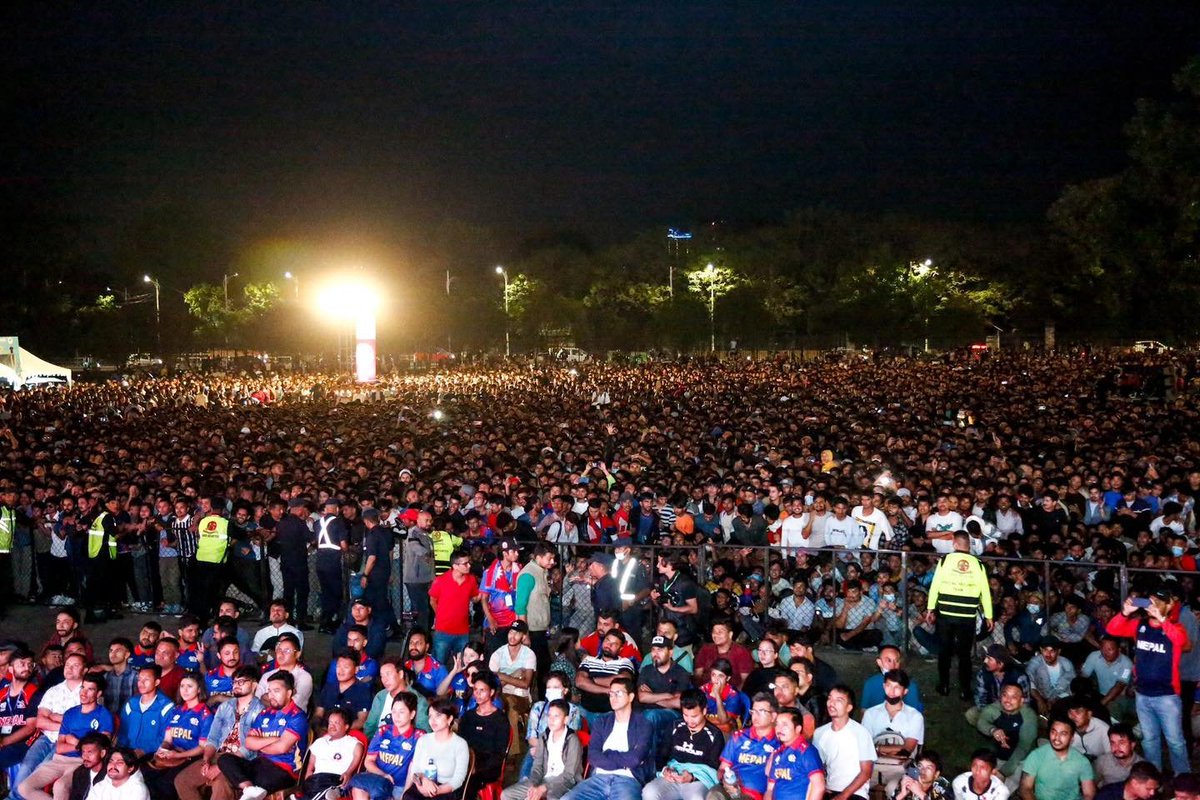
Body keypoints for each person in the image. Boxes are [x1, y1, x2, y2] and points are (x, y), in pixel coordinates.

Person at [1105, 585, 1190, 775]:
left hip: (1167, 696)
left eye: (1159, 603)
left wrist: (1162, 619)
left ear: (1169, 606)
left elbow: (1181, 641)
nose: (1153, 606)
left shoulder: (1175, 627)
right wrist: (1124, 613)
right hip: (1142, 694)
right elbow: (1112, 629)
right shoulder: (1140, 625)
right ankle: (1154, 779)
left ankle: (1183, 780)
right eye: (1151, 602)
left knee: (1175, 741)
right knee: (1150, 740)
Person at [172, 665, 264, 800]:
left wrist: (220, 767)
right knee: (182, 780)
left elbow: (251, 749)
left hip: (240, 761)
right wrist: (207, 760)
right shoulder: (225, 706)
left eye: (241, 682)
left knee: (220, 784)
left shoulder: (261, 711)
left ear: (254, 685)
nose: (236, 685)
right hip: (217, 755)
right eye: (234, 682)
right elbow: (213, 738)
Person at [19, 672, 114, 800]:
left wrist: (74, 741)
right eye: (82, 687)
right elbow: (59, 748)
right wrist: (84, 745)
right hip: (59, 760)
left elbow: (102, 749)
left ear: (98, 693)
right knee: (24, 787)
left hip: (82, 762)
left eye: (90, 689)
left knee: (60, 786)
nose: (84, 693)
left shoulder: (104, 715)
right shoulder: (70, 713)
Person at [217, 670, 308, 800]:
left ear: (289, 693)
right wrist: (274, 739)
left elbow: (281, 748)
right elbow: (249, 743)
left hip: (284, 769)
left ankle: (250, 792)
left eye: (276, 691)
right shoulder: (265, 713)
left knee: (244, 783)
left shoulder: (297, 717)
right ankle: (249, 789)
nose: (271, 695)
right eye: (269, 691)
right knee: (224, 759)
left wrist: (259, 743)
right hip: (260, 763)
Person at [558, 675, 652, 800]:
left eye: (618, 693)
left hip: (627, 780)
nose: (613, 698)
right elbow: (593, 756)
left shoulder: (642, 724)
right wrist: (624, 762)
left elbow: (635, 758)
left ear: (631, 697)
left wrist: (607, 754)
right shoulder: (602, 721)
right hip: (598, 779)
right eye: (611, 694)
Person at [926, 530, 992, 699]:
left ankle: (944, 686)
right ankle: (965, 690)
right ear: (968, 545)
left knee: (945, 650)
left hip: (946, 612)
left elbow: (935, 585)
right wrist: (989, 615)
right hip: (967, 614)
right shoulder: (978, 563)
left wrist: (930, 608)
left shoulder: (946, 560)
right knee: (964, 654)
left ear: (954, 543)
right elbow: (985, 590)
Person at [642, 690, 724, 800]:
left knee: (696, 798)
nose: (689, 721)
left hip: (697, 780)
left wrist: (692, 777)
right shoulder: (675, 727)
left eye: (694, 716)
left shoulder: (714, 735)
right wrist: (665, 771)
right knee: (649, 792)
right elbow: (662, 755)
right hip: (673, 776)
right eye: (686, 715)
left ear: (704, 711)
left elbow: (714, 769)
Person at [142, 672, 213, 797]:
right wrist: (162, 749)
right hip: (172, 754)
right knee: (145, 772)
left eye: (189, 686)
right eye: (182, 686)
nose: (184, 690)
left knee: (166, 783)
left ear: (199, 690)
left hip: (191, 757)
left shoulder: (205, 714)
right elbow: (168, 739)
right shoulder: (176, 710)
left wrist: (179, 755)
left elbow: (203, 747)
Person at [501, 698, 583, 800]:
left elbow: (569, 774)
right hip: (544, 779)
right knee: (506, 794)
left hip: (566, 783)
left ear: (566, 720)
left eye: (556, 716)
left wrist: (544, 788)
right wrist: (533, 784)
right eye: (549, 716)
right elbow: (537, 765)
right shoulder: (544, 736)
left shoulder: (572, 740)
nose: (551, 720)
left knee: (551, 796)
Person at [349, 691, 422, 800]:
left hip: (400, 786)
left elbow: (414, 768)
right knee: (358, 789)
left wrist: (405, 794)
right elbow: (368, 761)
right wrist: (383, 775)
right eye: (394, 711)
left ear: (412, 714)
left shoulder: (418, 737)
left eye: (401, 712)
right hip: (377, 781)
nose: (396, 716)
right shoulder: (383, 731)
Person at [860, 670, 924, 796]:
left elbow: (907, 750)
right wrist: (895, 751)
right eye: (888, 686)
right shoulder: (870, 714)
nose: (892, 691)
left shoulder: (915, 716)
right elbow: (864, 747)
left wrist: (877, 748)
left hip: (901, 770)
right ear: (884, 686)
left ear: (905, 691)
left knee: (894, 790)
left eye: (897, 688)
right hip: (872, 767)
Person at [711, 692, 780, 800]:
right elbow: (722, 769)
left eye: (761, 712)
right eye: (753, 711)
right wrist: (725, 780)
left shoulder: (779, 743)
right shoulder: (739, 736)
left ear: (773, 716)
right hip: (730, 789)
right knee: (714, 794)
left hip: (754, 795)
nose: (755, 716)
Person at [812, 685, 875, 800]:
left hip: (855, 792)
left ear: (849, 708)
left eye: (838, 700)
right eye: (830, 698)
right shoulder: (819, 733)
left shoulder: (860, 732)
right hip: (830, 789)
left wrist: (843, 795)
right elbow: (817, 766)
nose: (832, 703)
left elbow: (866, 772)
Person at [402, 697, 470, 800]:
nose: (432, 720)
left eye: (438, 715)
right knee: (409, 796)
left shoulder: (460, 744)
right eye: (430, 716)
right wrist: (423, 783)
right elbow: (415, 770)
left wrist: (435, 790)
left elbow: (458, 780)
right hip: (423, 784)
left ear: (450, 718)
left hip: (445, 789)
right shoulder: (423, 740)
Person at [638, 634, 691, 763]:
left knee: (651, 716)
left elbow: (679, 702)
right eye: (654, 650)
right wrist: (667, 696)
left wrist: (653, 696)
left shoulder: (681, 673)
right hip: (647, 713)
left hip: (672, 715)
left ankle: (650, 763)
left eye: (660, 650)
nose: (656, 653)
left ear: (671, 652)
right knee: (648, 718)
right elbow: (642, 697)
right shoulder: (646, 670)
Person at [459, 671, 513, 798]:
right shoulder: (468, 716)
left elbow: (499, 754)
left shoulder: (500, 720)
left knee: (467, 782)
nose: (477, 694)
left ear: (492, 692)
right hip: (467, 761)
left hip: (488, 766)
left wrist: (476, 768)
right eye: (475, 690)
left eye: (482, 690)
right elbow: (460, 744)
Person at [974, 683, 1037, 792]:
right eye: (1005, 695)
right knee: (981, 783)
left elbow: (1023, 748)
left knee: (1002, 790)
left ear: (1022, 701)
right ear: (1000, 696)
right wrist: (993, 730)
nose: (1008, 700)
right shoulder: (995, 708)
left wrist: (1004, 772)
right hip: (1000, 754)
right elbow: (981, 722)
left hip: (1022, 758)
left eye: (1014, 697)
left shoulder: (1028, 716)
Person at [1018, 716, 1096, 800]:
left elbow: (1089, 794)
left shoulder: (1082, 761)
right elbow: (1025, 788)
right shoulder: (1037, 755)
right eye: (1053, 732)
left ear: (1072, 738)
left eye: (1063, 734)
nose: (1056, 738)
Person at [489, 620, 537, 754]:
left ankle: (511, 754)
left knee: (510, 705)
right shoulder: (498, 654)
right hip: (499, 694)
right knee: (511, 710)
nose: (512, 636)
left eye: (517, 633)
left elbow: (526, 683)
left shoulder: (528, 654)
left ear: (523, 637)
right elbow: (491, 683)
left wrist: (502, 676)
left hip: (521, 697)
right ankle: (508, 752)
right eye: (511, 632)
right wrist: (516, 675)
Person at [428, 548, 481, 666]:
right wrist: (441, 615)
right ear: (455, 566)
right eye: (465, 563)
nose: (469, 566)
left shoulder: (471, 580)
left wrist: (483, 593)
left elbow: (474, 597)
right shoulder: (440, 581)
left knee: (463, 664)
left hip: (463, 631)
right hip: (443, 631)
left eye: (469, 563)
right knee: (439, 665)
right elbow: (432, 601)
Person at [763, 707, 825, 800]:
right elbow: (770, 789)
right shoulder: (777, 753)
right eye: (777, 724)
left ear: (798, 729)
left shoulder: (807, 751)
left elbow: (819, 787)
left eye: (785, 725)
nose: (779, 729)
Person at [301, 707, 364, 799]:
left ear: (346, 726)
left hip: (337, 779)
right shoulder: (319, 742)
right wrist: (309, 772)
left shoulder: (353, 743)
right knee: (311, 785)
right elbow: (311, 765)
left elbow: (357, 756)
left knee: (316, 789)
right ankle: (325, 795)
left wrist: (348, 772)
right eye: (330, 722)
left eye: (336, 723)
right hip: (317, 779)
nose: (331, 726)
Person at [117, 664, 174, 757]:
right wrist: (121, 751)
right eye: (139, 679)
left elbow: (165, 739)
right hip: (128, 754)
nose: (141, 683)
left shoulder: (166, 707)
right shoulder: (131, 704)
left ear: (156, 682)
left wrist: (144, 751)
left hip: (152, 756)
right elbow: (123, 732)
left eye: (146, 679)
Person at [0, 648, 39, 774]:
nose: (27, 668)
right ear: (10, 669)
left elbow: (30, 728)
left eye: (30, 664)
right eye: (22, 664)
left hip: (24, 743)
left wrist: (3, 742)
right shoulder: (2, 694)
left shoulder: (34, 692)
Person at [967, 645, 1028, 726]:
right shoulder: (984, 674)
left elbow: (1025, 703)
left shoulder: (1019, 678)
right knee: (971, 714)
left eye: (989, 659)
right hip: (993, 709)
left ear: (1000, 664)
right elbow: (980, 698)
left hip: (1013, 712)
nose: (985, 661)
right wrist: (990, 713)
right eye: (986, 657)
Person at [314, 497, 350, 633]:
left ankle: (325, 621)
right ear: (337, 509)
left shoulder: (317, 523)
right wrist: (347, 551)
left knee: (325, 592)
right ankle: (332, 622)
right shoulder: (339, 522)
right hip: (333, 560)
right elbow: (343, 544)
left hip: (320, 560)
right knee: (335, 592)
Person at [314, 650, 372, 731]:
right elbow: (319, 713)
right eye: (338, 666)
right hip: (325, 733)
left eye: (346, 667)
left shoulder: (362, 691)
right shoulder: (329, 687)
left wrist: (339, 731)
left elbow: (361, 721)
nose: (340, 671)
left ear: (356, 669)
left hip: (349, 735)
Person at [1080, 637, 1133, 723]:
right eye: (1103, 649)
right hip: (1100, 693)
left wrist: (1100, 705)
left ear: (1119, 649)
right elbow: (1082, 677)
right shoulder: (1094, 656)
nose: (1105, 653)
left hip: (1119, 696)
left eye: (1110, 649)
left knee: (1112, 711)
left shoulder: (1127, 663)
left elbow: (1119, 686)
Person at [256, 633, 314, 709]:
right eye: (279, 650)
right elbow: (256, 701)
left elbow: (293, 705)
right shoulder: (267, 675)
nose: (281, 654)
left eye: (287, 650)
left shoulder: (304, 677)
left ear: (297, 654)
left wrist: (265, 697)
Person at [860, 646, 924, 714]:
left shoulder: (910, 686)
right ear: (879, 662)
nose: (893, 665)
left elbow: (913, 715)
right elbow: (864, 711)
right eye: (888, 660)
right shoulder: (870, 684)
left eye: (896, 661)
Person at [403, 510, 436, 634]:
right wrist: (426, 553)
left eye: (430, 520)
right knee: (422, 610)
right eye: (426, 520)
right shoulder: (414, 532)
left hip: (425, 578)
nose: (429, 523)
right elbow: (415, 547)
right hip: (416, 579)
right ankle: (422, 636)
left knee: (426, 609)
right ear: (418, 520)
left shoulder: (425, 534)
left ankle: (423, 635)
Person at [1026, 637, 1077, 717]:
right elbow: (1028, 680)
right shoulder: (1035, 662)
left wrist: (1054, 701)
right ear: (1041, 650)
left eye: (1052, 651)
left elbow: (1071, 688)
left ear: (1058, 652)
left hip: (1060, 697)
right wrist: (1039, 700)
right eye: (1045, 650)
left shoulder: (1066, 665)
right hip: (1041, 696)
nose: (1048, 654)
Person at [1091, 724, 1145, 788]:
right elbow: (1091, 785)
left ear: (1132, 745)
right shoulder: (1102, 761)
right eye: (1112, 743)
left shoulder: (1143, 766)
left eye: (1121, 743)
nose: (1116, 747)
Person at [67, 731, 110, 800]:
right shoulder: (79, 773)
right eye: (83, 752)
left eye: (90, 752)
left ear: (102, 753)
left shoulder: (110, 775)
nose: (85, 757)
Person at [1066, 696, 1110, 761]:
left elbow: (1111, 758)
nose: (1073, 716)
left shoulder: (1104, 729)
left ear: (1089, 714)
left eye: (1078, 712)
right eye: (1070, 712)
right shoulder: (1065, 728)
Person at [1093, 762, 1161, 800]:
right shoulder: (1107, 796)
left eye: (1154, 789)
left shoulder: (1150, 797)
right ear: (1135, 783)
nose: (1152, 793)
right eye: (1148, 789)